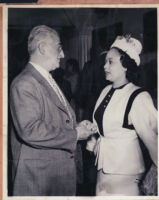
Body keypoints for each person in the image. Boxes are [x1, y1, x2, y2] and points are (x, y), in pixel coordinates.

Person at [9, 25, 97, 196]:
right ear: (42, 48)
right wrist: (75, 134)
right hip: (39, 181)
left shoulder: (45, 78)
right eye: (59, 48)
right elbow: (30, 130)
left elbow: (52, 120)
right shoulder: (24, 83)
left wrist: (77, 126)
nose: (63, 54)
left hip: (54, 177)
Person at [86, 35, 157, 196]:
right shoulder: (105, 90)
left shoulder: (138, 96)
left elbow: (152, 138)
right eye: (105, 61)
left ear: (125, 65)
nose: (105, 66)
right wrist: (92, 135)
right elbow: (103, 126)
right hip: (103, 168)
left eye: (110, 62)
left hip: (126, 172)